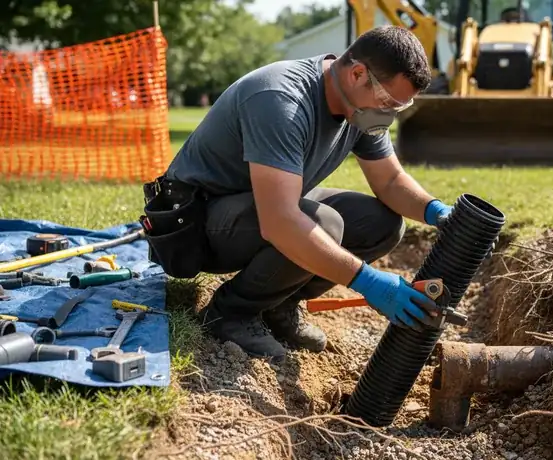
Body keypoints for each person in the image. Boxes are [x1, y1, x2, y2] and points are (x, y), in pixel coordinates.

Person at [143, 25, 468, 362]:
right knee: (321, 223)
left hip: (252, 208)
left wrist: (437, 212)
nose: (389, 114)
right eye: (388, 102)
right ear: (357, 73)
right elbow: (280, 222)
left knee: (381, 223)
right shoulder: (281, 99)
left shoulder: (360, 109)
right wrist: (368, 282)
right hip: (194, 224)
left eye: (398, 108)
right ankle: (231, 314)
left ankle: (278, 304)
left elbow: (390, 182)